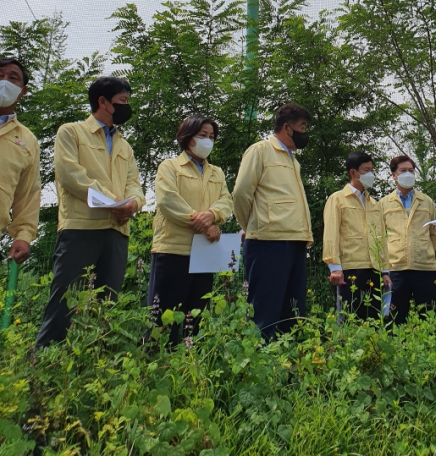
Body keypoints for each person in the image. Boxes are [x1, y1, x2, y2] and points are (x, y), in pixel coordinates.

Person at [36, 76, 145, 347]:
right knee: (65, 300)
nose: (126, 107)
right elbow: (71, 176)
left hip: (117, 231)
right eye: (122, 101)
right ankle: (46, 361)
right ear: (103, 102)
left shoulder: (125, 146)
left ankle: (95, 363)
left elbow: (135, 184)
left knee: (107, 302)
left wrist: (133, 204)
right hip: (80, 228)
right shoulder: (71, 132)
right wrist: (115, 201)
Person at [148, 114, 233, 343]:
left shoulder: (217, 172)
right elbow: (168, 200)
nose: (208, 140)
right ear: (187, 137)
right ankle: (156, 361)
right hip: (174, 248)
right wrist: (202, 222)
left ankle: (189, 363)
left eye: (212, 136)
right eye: (202, 135)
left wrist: (213, 215)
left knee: (196, 313)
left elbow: (226, 201)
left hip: (205, 252)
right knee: (164, 314)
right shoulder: (170, 167)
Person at [233, 103, 313, 340]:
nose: (305, 132)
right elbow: (240, 194)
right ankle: (261, 367)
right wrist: (250, 226)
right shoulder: (260, 150)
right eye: (302, 127)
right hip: (268, 242)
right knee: (264, 312)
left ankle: (286, 369)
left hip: (296, 241)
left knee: (293, 312)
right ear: (288, 129)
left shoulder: (293, 160)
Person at [323, 151, 392, 319]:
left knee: (374, 318)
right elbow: (331, 233)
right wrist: (335, 267)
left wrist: (385, 271)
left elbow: (381, 238)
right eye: (366, 170)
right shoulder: (338, 199)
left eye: (372, 170)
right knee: (349, 316)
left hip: (373, 268)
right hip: (350, 268)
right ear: (353, 173)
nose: (371, 174)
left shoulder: (374, 203)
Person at [380, 155, 436, 324]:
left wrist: (425, 250)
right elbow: (379, 237)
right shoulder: (384, 204)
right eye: (403, 170)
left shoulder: (426, 201)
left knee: (429, 317)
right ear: (394, 175)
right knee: (393, 318)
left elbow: (434, 233)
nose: (408, 174)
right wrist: (384, 268)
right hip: (395, 268)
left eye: (411, 170)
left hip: (424, 267)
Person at [0, 57, 40, 265]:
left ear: (22, 91)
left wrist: (23, 235)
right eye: (0, 76)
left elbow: (28, 195)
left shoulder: (27, 141)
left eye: (12, 78)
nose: (4, 81)